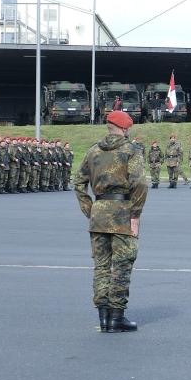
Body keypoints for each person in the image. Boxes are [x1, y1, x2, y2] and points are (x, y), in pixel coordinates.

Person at [74, 110, 147, 333]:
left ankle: (103, 316)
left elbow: (78, 183)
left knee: (102, 266)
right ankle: (117, 316)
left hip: (99, 214)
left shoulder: (92, 151)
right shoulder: (130, 151)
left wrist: (91, 209)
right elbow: (140, 184)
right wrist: (135, 215)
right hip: (122, 213)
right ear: (124, 129)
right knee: (122, 265)